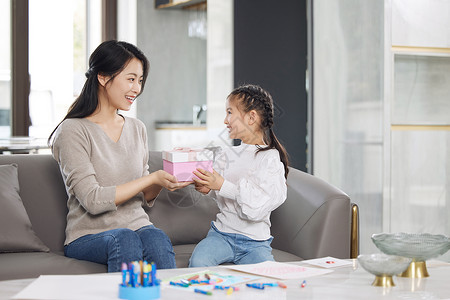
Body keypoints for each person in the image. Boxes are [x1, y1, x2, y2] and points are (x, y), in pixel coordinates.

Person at [48, 40, 190, 272]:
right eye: (131, 79)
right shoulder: (73, 130)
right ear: (103, 77)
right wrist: (151, 178)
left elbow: (145, 195)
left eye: (140, 80)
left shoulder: (137, 128)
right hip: (89, 235)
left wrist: (164, 180)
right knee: (124, 239)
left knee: (157, 238)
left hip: (138, 227)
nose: (137, 89)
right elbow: (93, 201)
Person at [188, 84, 289, 267]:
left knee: (270, 279)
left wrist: (221, 185)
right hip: (221, 235)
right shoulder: (226, 154)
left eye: (229, 112)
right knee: (198, 262)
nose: (225, 120)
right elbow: (222, 194)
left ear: (251, 117)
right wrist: (208, 188)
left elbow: (257, 206)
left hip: (255, 243)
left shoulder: (269, 158)